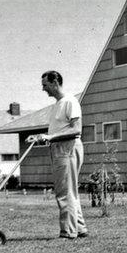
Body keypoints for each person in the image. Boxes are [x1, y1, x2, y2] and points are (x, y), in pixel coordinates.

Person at [27, 71, 88, 239]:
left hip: (67, 148)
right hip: (59, 148)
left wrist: (50, 137)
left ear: (55, 83)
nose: (43, 89)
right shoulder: (58, 104)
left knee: (65, 191)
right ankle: (80, 229)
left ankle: (68, 232)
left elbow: (76, 129)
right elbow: (59, 130)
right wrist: (41, 137)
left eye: (45, 85)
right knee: (69, 190)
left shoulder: (70, 101)